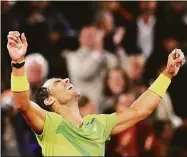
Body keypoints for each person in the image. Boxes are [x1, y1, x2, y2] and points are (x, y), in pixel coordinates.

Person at [7, 31, 185, 156]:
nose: (66, 80)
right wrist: (18, 62)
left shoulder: (98, 124)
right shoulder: (49, 124)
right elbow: (23, 104)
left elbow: (140, 111)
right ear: (49, 100)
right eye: (58, 83)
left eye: (64, 79)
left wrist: (167, 74)